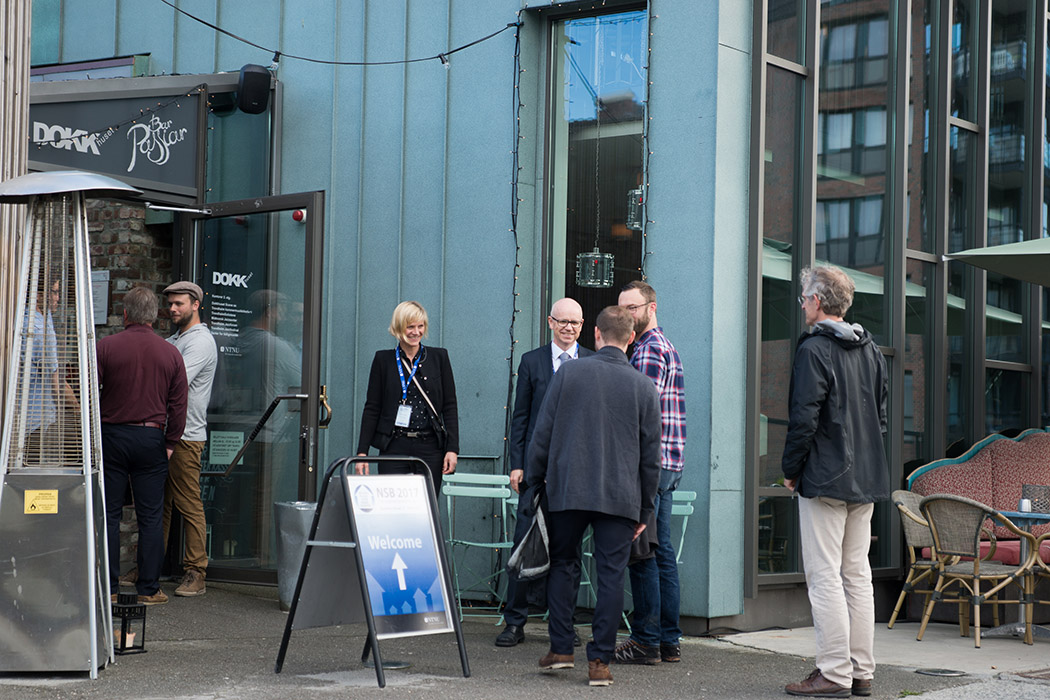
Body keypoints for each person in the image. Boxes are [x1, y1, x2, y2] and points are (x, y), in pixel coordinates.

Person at [526, 305, 661, 687]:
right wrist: (645, 510)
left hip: (568, 489)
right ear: (631, 338)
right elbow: (651, 457)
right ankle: (600, 662)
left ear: (596, 334)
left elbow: (542, 433)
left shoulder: (569, 373)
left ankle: (561, 649)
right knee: (611, 576)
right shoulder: (643, 387)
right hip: (620, 496)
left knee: (563, 564)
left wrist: (534, 481)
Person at [781, 265, 889, 698]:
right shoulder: (871, 349)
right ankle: (861, 672)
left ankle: (834, 673)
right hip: (865, 477)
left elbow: (803, 418)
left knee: (825, 576)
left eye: (804, 298)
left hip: (825, 478)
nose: (802, 304)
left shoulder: (814, 349)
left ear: (817, 301)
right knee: (857, 576)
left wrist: (791, 470)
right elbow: (880, 418)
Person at [496, 297, 593, 647]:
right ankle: (515, 622)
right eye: (563, 321)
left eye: (575, 322)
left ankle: (563, 625)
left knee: (569, 552)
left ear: (582, 326)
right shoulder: (531, 361)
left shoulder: (592, 362)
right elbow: (520, 417)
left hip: (575, 475)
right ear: (550, 322)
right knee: (523, 544)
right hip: (535, 474)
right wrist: (517, 464)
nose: (569, 328)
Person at [98, 286, 188, 606]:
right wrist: (171, 442)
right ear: (154, 316)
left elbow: (88, 392)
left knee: (109, 514)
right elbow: (179, 405)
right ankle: (149, 589)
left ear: (125, 314)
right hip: (151, 437)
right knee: (150, 517)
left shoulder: (105, 347)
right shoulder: (171, 353)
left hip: (111, 436)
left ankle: (108, 587)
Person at [614, 280, 687, 665]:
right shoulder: (664, 345)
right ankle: (668, 641)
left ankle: (645, 641)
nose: (627, 314)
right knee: (661, 553)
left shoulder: (648, 350)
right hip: (668, 464)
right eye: (622, 308)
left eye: (633, 308)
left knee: (642, 553)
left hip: (650, 466)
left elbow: (638, 413)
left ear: (651, 308)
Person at [355, 301, 459, 491]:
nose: (416, 332)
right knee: (391, 501)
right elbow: (372, 408)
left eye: (420, 326)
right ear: (398, 327)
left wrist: (452, 449)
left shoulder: (439, 357)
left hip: (430, 446)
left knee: (426, 503)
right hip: (394, 445)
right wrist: (362, 452)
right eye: (410, 327)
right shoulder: (383, 360)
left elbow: (450, 406)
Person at [161, 280, 217, 597]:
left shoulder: (200, 342)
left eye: (179, 303)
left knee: (188, 503)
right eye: (170, 303)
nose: (172, 309)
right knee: (159, 504)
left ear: (196, 305)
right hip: (164, 432)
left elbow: (172, 381)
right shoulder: (174, 340)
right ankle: (149, 566)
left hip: (186, 435)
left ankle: (197, 571)